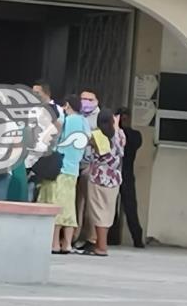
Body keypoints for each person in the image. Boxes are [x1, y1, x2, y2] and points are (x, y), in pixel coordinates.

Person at [38, 94, 90, 254]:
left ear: (67, 105)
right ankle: (67, 243)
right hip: (73, 169)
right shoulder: (84, 122)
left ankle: (54, 243)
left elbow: (53, 139)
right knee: (68, 207)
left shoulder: (65, 120)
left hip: (59, 168)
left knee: (55, 206)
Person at [81, 109, 126, 257]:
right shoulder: (120, 135)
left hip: (99, 177)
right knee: (108, 212)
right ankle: (102, 244)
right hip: (114, 179)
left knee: (97, 212)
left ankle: (101, 246)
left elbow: (102, 154)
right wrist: (117, 126)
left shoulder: (97, 136)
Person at [112, 107, 145, 248]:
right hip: (121, 173)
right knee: (118, 207)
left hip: (121, 172)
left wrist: (118, 127)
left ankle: (134, 238)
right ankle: (133, 238)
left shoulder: (131, 135)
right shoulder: (133, 135)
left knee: (126, 207)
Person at [75, 88, 101, 249]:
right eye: (83, 98)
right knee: (77, 203)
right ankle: (75, 235)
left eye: (89, 99)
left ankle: (90, 237)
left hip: (90, 164)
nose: (85, 102)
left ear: (96, 101)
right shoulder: (76, 115)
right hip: (75, 163)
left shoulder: (100, 118)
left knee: (90, 203)